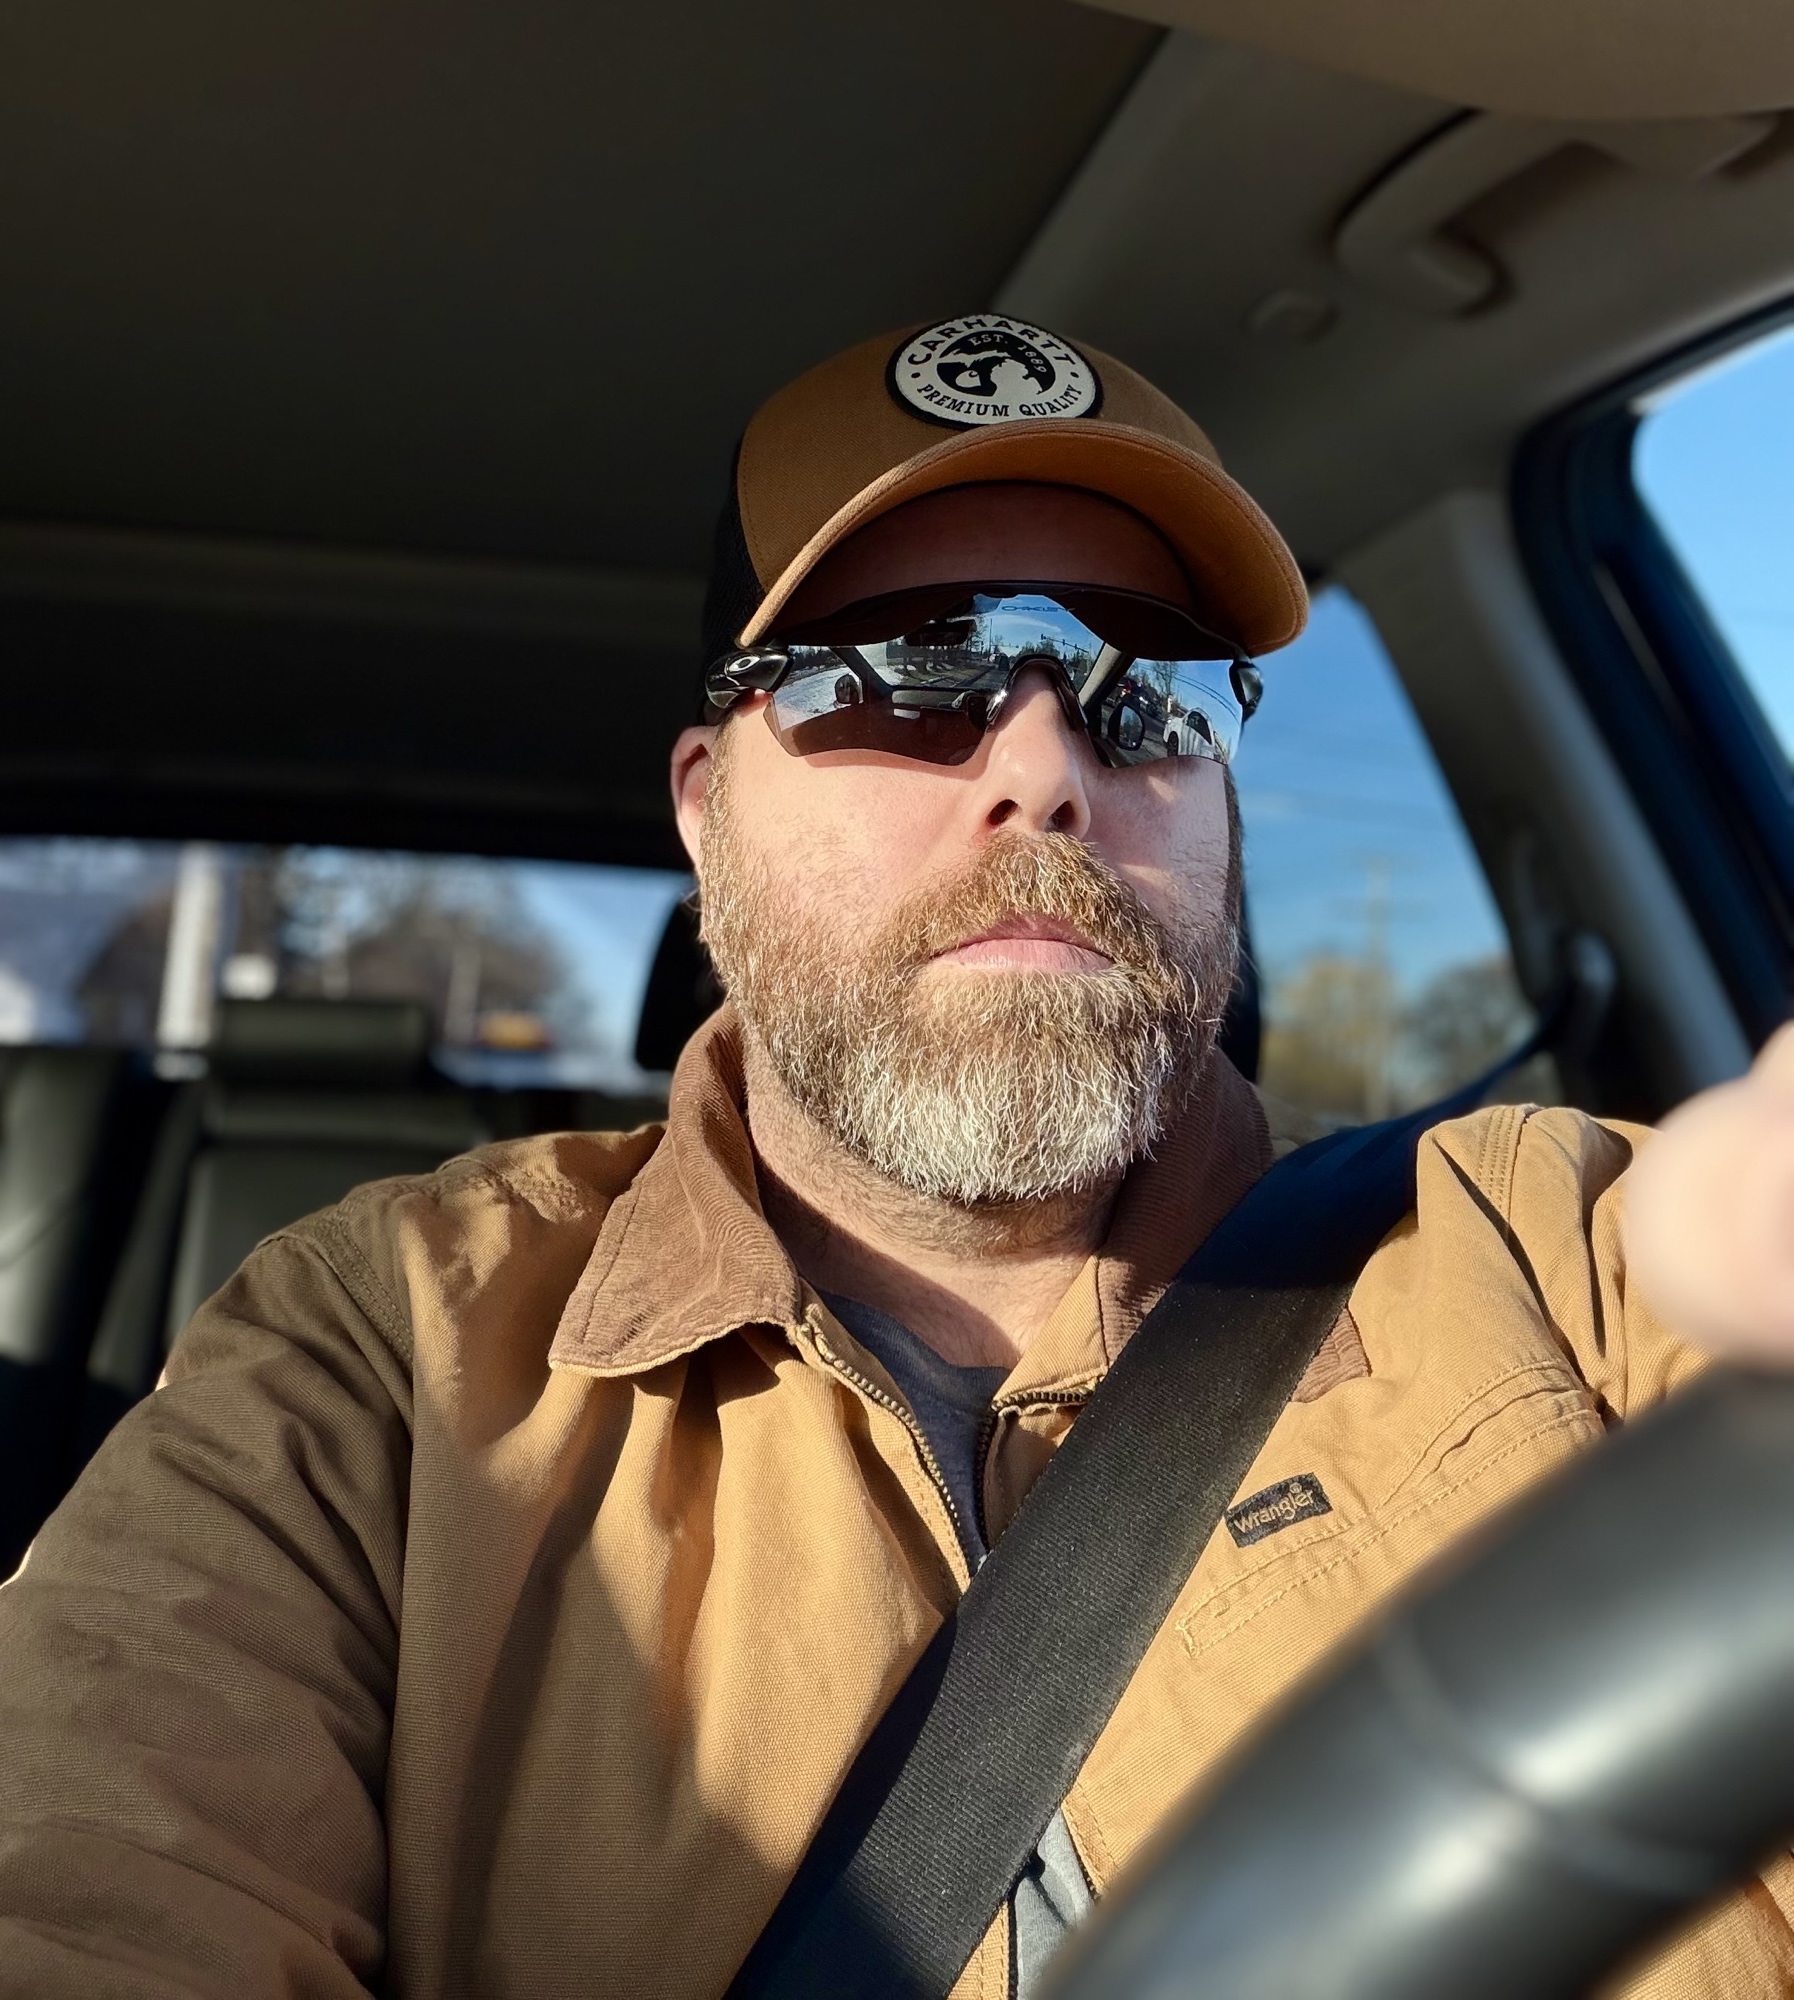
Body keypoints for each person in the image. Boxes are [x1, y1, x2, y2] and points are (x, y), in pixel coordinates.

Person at [0, 315, 1790, 2000]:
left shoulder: (1550, 1248)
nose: (1046, 766)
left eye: (1147, 690)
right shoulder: (379, 1351)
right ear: (704, 804)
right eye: (907, 672)